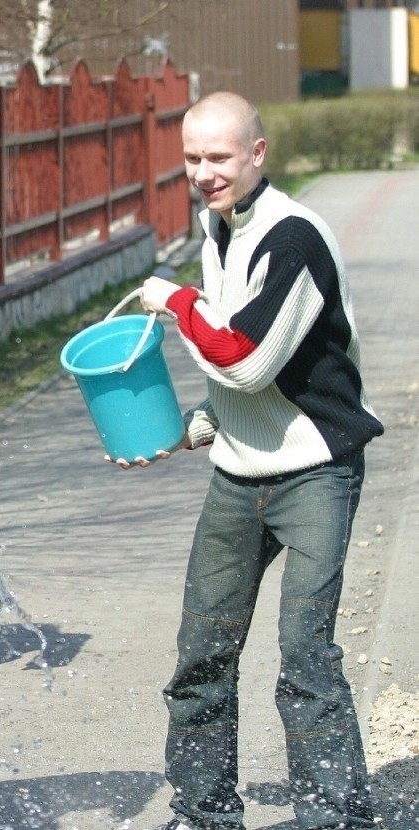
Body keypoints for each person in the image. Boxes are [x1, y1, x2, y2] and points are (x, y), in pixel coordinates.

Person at [121, 92, 384, 830]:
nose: (204, 174)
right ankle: (204, 816)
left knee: (306, 660)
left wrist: (175, 301)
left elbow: (243, 360)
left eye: (219, 158)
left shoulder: (294, 237)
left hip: (316, 475)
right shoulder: (218, 227)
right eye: (192, 159)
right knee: (200, 659)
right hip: (237, 479)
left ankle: (336, 817)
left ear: (257, 154)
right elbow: (237, 378)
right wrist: (191, 431)